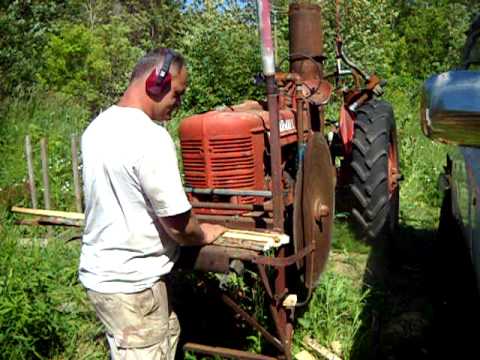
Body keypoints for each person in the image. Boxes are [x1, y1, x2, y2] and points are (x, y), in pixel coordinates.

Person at [79, 47, 225, 360]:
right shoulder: (150, 137)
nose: (179, 103)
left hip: (103, 276)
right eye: (177, 93)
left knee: (166, 332)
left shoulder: (96, 128)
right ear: (155, 84)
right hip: (132, 285)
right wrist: (205, 233)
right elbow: (179, 227)